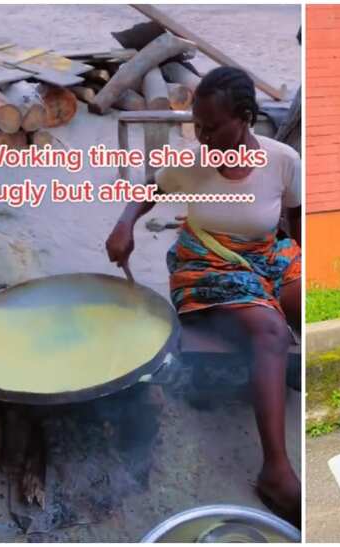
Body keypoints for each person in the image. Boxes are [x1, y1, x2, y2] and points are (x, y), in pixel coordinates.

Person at [105, 66, 302, 525]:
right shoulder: (191, 161)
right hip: (206, 263)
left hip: (267, 255)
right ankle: (275, 469)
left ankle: (291, 383)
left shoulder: (281, 159)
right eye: (198, 124)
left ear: (246, 118)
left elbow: (295, 222)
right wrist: (124, 224)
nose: (202, 134)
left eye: (212, 126)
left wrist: (297, 272)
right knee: (270, 329)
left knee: (304, 305)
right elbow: (146, 193)